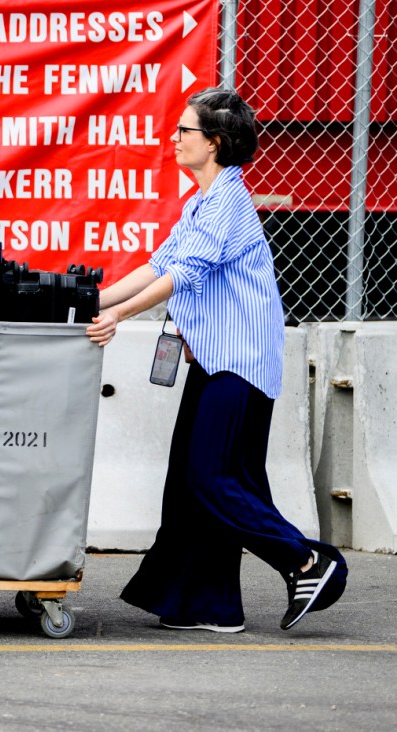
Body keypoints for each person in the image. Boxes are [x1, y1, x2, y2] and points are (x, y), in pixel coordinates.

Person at [86, 88, 347, 632]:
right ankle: (208, 605)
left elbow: (185, 275)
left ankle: (306, 560)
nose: (175, 139)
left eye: (185, 131)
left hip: (239, 366)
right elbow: (160, 263)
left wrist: (120, 317)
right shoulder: (202, 202)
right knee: (193, 481)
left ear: (215, 143)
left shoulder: (229, 202)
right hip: (215, 362)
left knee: (211, 477)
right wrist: (90, 300)